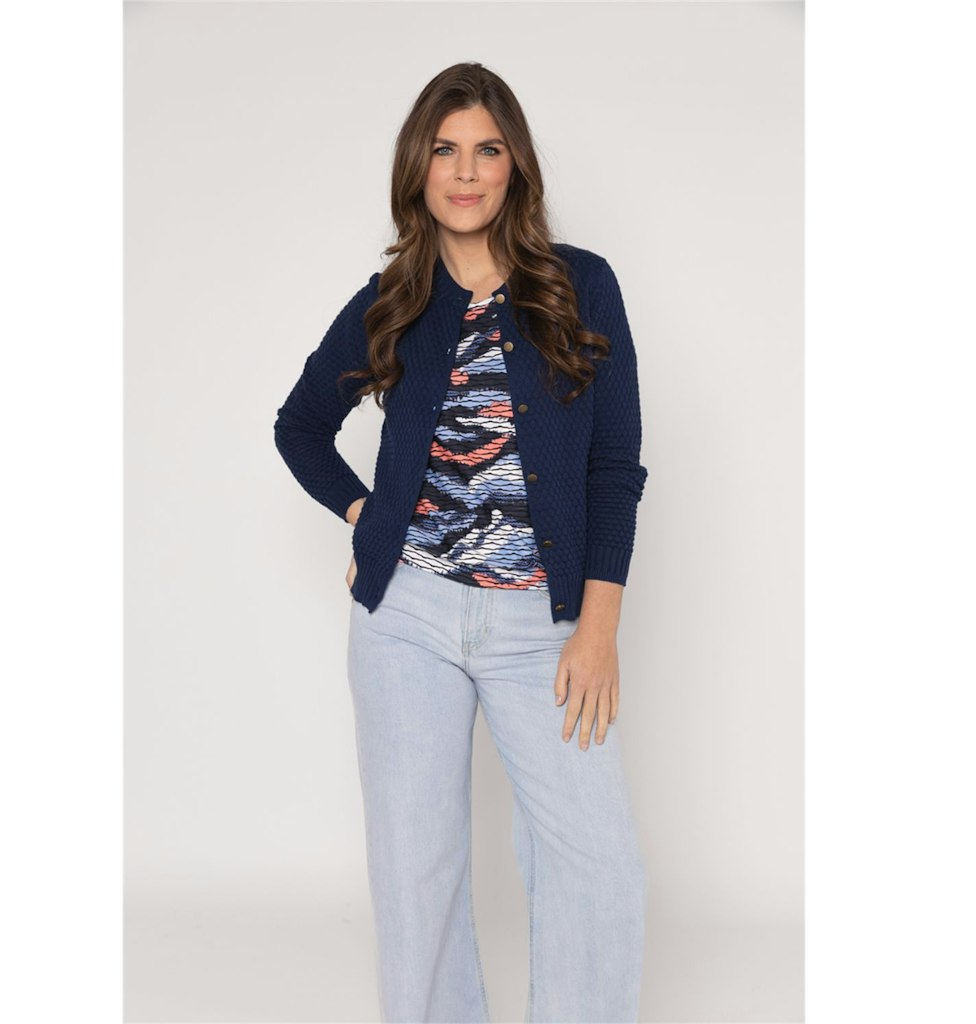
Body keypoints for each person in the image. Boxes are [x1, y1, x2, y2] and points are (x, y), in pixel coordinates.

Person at [274, 62, 649, 1024]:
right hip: (406, 623)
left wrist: (598, 626)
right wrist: (367, 516)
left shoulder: (580, 286)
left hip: (542, 627)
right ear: (419, 167)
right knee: (417, 878)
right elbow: (300, 427)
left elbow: (615, 466)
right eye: (446, 150)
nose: (467, 171)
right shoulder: (393, 299)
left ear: (515, 165)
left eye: (487, 149)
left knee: (596, 864)